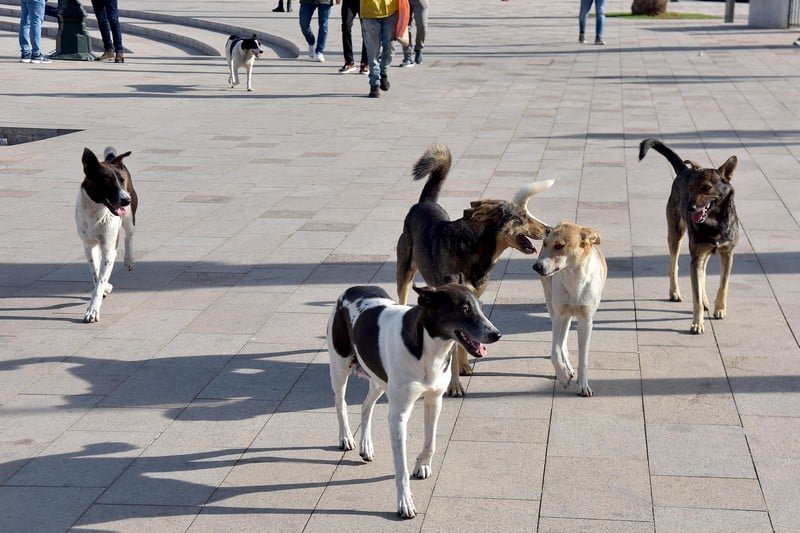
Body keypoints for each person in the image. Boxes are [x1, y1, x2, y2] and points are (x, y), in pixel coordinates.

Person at [361, 0, 397, 98]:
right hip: (370, 13)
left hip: (391, 11)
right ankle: (374, 84)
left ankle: (383, 72)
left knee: (390, 48)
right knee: (372, 52)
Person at [339, 0, 367, 73]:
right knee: (346, 27)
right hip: (349, 3)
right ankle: (349, 62)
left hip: (365, 2)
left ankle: (365, 63)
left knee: (366, 30)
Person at [399, 0, 427, 67]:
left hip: (419, 1)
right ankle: (407, 57)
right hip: (403, 1)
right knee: (405, 26)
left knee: (422, 25)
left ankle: (418, 48)